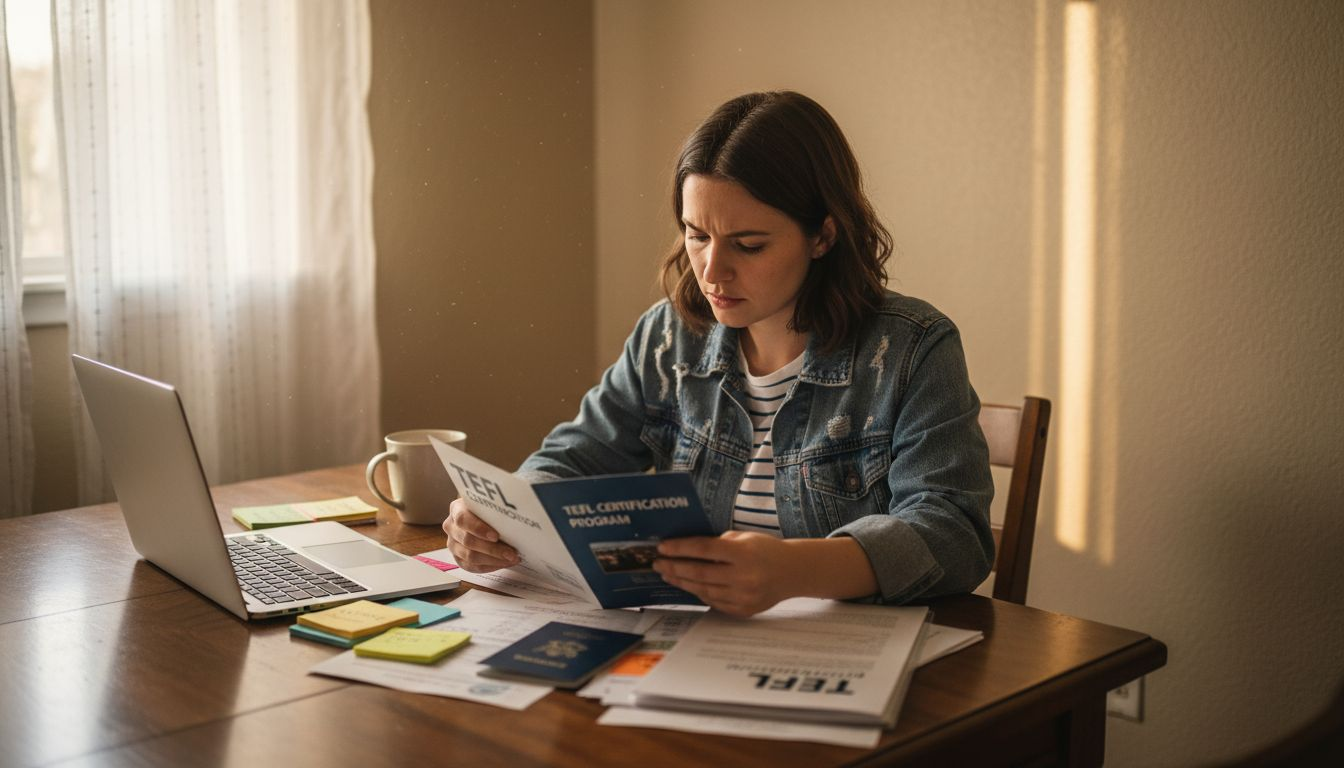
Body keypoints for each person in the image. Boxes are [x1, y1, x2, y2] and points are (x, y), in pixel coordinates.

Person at [442, 91, 994, 616]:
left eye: (748, 245)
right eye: (697, 235)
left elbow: (953, 533)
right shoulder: (668, 337)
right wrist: (500, 518)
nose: (711, 271)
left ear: (823, 236)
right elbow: (576, 458)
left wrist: (793, 571)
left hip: (848, 651)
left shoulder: (913, 348)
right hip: (685, 641)